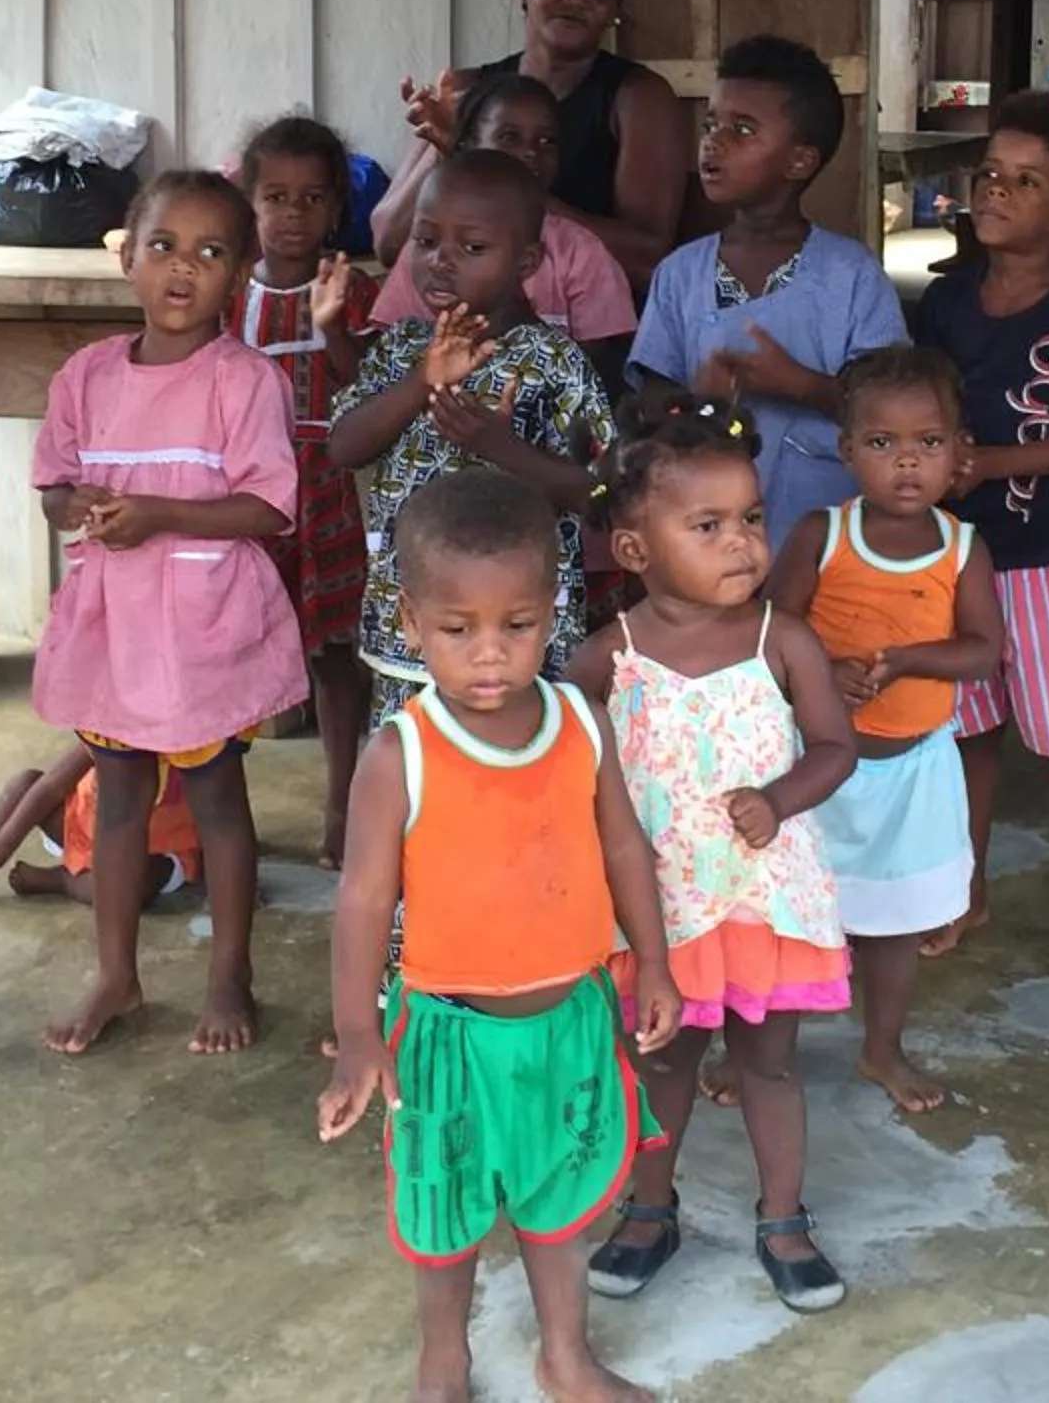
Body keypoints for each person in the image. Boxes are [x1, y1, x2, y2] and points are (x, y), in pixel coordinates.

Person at [318, 469, 681, 1403]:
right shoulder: (401, 754)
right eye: (457, 629)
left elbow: (625, 851)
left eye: (516, 627)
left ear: (550, 611)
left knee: (558, 1207)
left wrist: (654, 964)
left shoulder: (578, 723)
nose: (490, 656)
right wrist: (359, 1035)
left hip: (572, 1021)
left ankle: (566, 1356)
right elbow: (362, 901)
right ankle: (445, 1363)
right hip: (448, 1036)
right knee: (445, 1214)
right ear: (409, 623)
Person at [571, 398, 858, 1315]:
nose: (740, 543)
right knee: (662, 1067)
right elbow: (570, 781)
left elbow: (835, 747)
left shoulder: (785, 641)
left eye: (749, 519)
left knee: (770, 1066)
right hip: (663, 917)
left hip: (762, 904)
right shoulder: (600, 664)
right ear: (636, 551)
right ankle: (651, 1210)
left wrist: (779, 800)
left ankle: (785, 1219)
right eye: (707, 526)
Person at [29, 170, 305, 1058]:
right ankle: (115, 972)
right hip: (116, 626)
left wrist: (158, 515)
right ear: (127, 256)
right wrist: (79, 510)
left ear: (241, 275)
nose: (183, 269)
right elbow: (53, 490)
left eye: (211, 253)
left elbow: (269, 508)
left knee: (219, 797)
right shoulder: (87, 375)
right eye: (163, 246)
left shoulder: (245, 380)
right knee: (116, 797)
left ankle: (231, 974)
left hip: (203, 630)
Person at [911, 89, 1049, 977]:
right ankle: (966, 886)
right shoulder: (947, 303)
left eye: (1025, 181)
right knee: (970, 732)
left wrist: (989, 465)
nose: (996, 191)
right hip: (958, 556)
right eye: (990, 174)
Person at [770, 349, 1002, 1115]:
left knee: (895, 929)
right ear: (847, 452)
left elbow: (983, 651)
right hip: (817, 769)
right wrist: (823, 668)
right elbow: (772, 630)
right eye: (882, 444)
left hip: (914, 770)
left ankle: (882, 1049)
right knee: (794, 917)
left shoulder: (963, 549)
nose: (907, 462)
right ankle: (762, 1057)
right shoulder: (821, 535)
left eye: (929, 444)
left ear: (958, 451)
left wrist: (905, 661)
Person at [330, 150, 618, 733]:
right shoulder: (403, 348)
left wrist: (499, 445)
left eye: (472, 248)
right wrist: (422, 382)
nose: (440, 263)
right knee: (412, 780)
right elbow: (344, 447)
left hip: (516, 641)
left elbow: (605, 495)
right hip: (411, 631)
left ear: (528, 260)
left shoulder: (555, 363)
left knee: (514, 780)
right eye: (427, 241)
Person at [631, 36, 909, 544]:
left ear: (800, 162)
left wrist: (800, 385)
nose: (713, 141)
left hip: (828, 538)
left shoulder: (852, 275)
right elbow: (648, 401)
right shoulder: (680, 274)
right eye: (711, 123)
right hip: (706, 540)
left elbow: (895, 410)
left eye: (742, 129)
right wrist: (695, 402)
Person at [370, 0, 692, 291]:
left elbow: (648, 259)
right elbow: (388, 244)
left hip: (587, 326)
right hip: (467, 324)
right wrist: (451, 151)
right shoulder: (466, 90)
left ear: (615, 8)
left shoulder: (636, 97)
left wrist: (517, 191)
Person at [229, 114, 373, 868]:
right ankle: (219, 813)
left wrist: (333, 327)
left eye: (312, 199)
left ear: (335, 209)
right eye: (275, 198)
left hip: (328, 490)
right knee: (232, 646)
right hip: (245, 496)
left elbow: (369, 388)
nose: (293, 216)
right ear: (248, 203)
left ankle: (343, 800)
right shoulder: (225, 294)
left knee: (333, 653)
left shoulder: (352, 289)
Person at [371, 74, 639, 387]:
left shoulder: (580, 250)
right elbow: (385, 361)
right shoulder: (428, 250)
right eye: (509, 137)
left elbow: (596, 371)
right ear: (469, 143)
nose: (530, 153)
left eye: (547, 141)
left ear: (529, 259)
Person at [0, 742, 206, 914]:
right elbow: (52, 786)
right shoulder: (107, 728)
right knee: (25, 783)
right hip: (83, 826)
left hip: (153, 850)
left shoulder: (192, 739)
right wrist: (3, 842)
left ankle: (62, 880)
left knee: (133, 888)